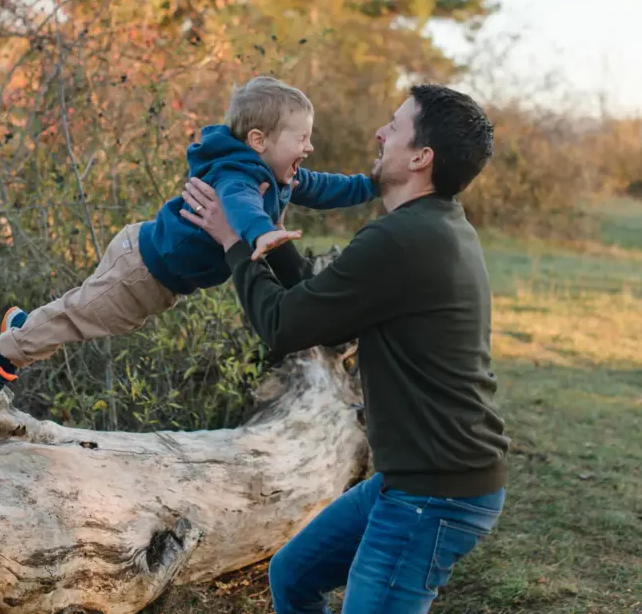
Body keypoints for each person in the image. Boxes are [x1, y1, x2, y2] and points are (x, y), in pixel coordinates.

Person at [179, 84, 510, 613]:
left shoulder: (401, 240)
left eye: (394, 127)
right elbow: (326, 319)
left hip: (435, 492)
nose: (379, 133)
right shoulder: (433, 226)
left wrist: (234, 244)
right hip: (415, 478)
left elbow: (281, 326)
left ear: (421, 157)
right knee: (293, 576)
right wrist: (270, 238)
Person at [0, 76, 378, 412]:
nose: (309, 147)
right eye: (301, 138)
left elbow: (325, 187)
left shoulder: (276, 174)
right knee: (80, 318)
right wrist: (260, 233)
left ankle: (27, 327)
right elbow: (240, 206)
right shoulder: (238, 175)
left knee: (84, 310)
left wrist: (371, 185)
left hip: (149, 263)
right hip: (141, 271)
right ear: (258, 140)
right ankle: (1, 354)